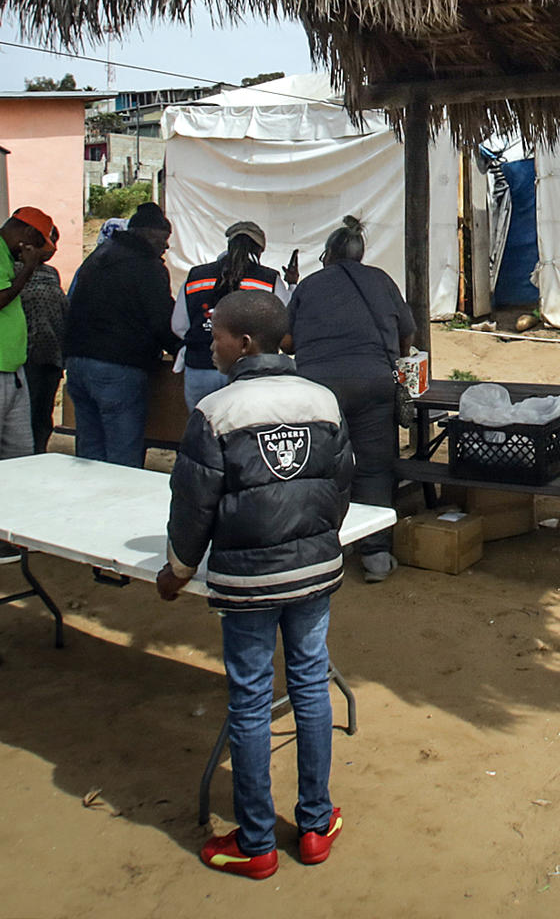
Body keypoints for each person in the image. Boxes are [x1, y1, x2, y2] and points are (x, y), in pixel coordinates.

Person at [158, 289, 354, 879]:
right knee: (311, 686)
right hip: (314, 573)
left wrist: (178, 571)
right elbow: (341, 484)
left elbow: (193, 505)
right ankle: (316, 827)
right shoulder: (323, 401)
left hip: (248, 580)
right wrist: (315, 539)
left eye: (215, 333)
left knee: (248, 700)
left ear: (243, 344)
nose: (208, 341)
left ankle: (257, 842)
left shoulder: (216, 412)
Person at [286, 217, 412, 582]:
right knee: (374, 468)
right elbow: (406, 334)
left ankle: (325, 548)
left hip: (319, 390)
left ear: (327, 255)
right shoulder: (382, 281)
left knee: (323, 468)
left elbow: (287, 343)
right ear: (362, 254)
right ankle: (376, 555)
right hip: (374, 384)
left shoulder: (308, 286)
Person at [63, 200, 180, 467]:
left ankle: (88, 505)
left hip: (78, 363)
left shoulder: (97, 257)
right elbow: (163, 320)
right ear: (148, 235)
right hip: (117, 368)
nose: (167, 246)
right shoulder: (147, 267)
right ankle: (118, 506)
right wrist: (182, 349)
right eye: (164, 239)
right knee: (121, 458)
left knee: (89, 455)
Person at [173, 220, 293, 411]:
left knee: (203, 431)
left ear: (229, 244)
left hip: (200, 367)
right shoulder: (269, 279)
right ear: (260, 250)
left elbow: (179, 325)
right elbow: (283, 324)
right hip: (249, 372)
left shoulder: (196, 275)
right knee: (243, 433)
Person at [1, 207, 57, 459]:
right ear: (26, 231)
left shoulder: (7, 256)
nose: (34, 250)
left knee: (21, 453)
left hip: (13, 368)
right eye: (36, 242)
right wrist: (28, 268)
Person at [19, 217, 68, 454]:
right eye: (48, 243)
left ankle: (39, 456)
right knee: (22, 419)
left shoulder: (51, 273)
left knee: (42, 417)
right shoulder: (15, 272)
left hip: (50, 356)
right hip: (24, 356)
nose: (52, 249)